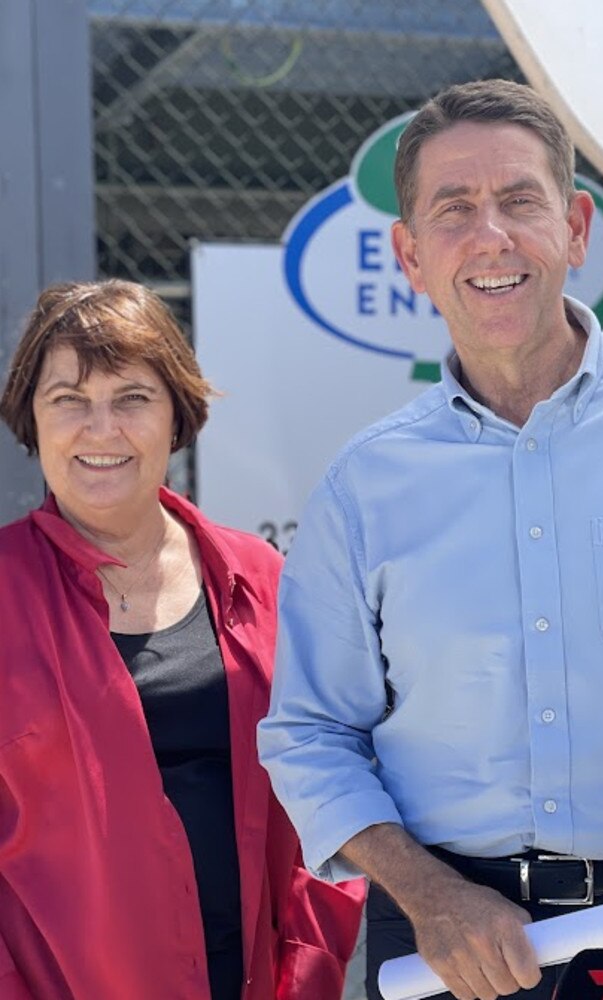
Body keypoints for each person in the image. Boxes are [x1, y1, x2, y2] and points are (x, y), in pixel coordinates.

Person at [257, 78, 603, 1000]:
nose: (492, 237)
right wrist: (431, 895)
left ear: (578, 228)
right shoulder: (365, 486)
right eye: (455, 210)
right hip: (446, 949)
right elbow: (310, 734)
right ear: (411, 254)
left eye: (520, 201)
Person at [0, 279, 363, 1000]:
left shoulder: (261, 578)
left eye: (132, 398)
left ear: (176, 416)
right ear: (32, 422)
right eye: (68, 399)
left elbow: (329, 771)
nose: (101, 429)